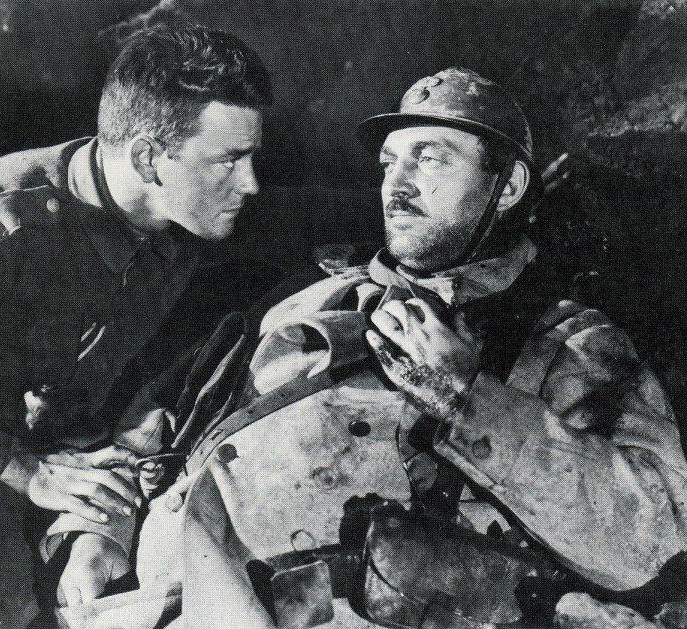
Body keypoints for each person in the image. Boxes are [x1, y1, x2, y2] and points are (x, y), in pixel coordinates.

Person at [52, 68, 687, 629]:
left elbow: (653, 539)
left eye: (430, 158)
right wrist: (97, 531)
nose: (396, 184)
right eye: (389, 163)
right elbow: (156, 426)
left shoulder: (567, 345)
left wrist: (469, 399)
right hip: (180, 599)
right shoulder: (303, 299)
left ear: (509, 184)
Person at [0, 23, 275, 628]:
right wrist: (24, 472)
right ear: (147, 158)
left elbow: (132, 393)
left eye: (252, 157)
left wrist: (98, 513)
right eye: (228, 160)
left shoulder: (190, 229)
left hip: (60, 460)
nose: (250, 184)